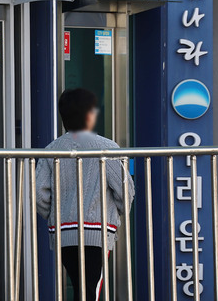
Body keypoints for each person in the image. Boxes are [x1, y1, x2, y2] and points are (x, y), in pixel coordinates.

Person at [36, 88, 135, 301]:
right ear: (89, 115)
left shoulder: (51, 149)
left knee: (81, 287)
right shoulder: (106, 147)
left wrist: (55, 215)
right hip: (97, 231)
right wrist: (116, 214)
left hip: (63, 233)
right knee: (91, 290)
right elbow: (125, 190)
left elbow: (38, 194)